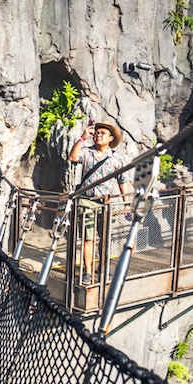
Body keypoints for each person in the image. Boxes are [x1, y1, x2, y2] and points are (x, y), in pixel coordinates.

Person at [68, 120, 130, 285]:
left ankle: (103, 266)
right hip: (87, 201)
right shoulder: (87, 152)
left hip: (106, 203)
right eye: (96, 133)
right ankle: (88, 272)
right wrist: (82, 138)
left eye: (102, 133)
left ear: (110, 138)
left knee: (105, 238)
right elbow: (72, 157)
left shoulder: (116, 159)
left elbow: (123, 181)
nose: (98, 135)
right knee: (88, 239)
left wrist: (127, 203)